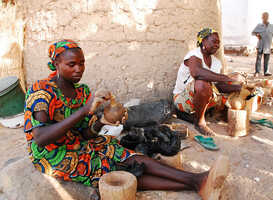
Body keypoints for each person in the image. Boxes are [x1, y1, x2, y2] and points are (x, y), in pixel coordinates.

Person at [24, 39, 230, 200]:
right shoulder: (41, 91)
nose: (79, 68)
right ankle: (196, 182)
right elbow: (41, 138)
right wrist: (85, 111)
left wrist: (101, 122)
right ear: (56, 64)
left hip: (80, 143)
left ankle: (197, 181)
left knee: (124, 154)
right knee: (118, 169)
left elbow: (85, 133)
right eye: (71, 64)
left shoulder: (82, 92)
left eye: (82, 63)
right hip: (53, 154)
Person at [173, 28, 242, 136]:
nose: (217, 45)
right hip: (182, 99)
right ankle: (199, 122)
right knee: (202, 82)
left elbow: (218, 85)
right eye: (214, 41)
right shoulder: (194, 55)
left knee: (233, 84)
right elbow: (197, 73)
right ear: (203, 41)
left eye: (218, 42)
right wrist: (227, 77)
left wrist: (239, 87)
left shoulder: (216, 62)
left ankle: (203, 114)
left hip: (203, 97)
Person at [252, 12, 273, 77]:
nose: (265, 18)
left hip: (267, 45)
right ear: (262, 17)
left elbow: (272, 34)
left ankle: (266, 71)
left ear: (268, 17)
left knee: (266, 59)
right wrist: (257, 35)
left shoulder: (271, 26)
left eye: (266, 16)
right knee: (258, 59)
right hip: (261, 44)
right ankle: (257, 71)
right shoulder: (259, 25)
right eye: (264, 16)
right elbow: (253, 32)